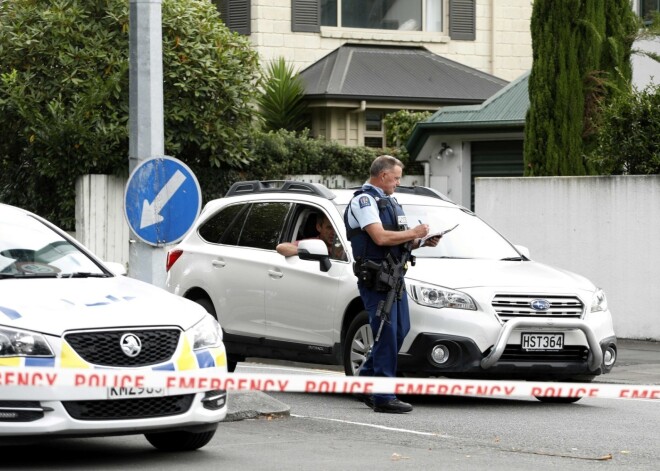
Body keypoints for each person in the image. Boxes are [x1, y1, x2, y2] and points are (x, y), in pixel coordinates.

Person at [344, 155, 440, 414]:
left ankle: (365, 382)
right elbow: (380, 237)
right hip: (376, 278)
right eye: (396, 177)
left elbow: (399, 238)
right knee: (385, 333)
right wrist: (414, 234)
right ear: (383, 175)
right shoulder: (364, 201)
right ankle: (384, 395)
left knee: (399, 331)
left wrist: (421, 241)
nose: (398, 182)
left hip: (394, 276)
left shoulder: (390, 202)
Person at [276, 213, 346, 261]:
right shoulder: (310, 243)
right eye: (329, 228)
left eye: (336, 228)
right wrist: (308, 251)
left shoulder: (346, 243)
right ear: (319, 227)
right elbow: (281, 247)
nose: (334, 232)